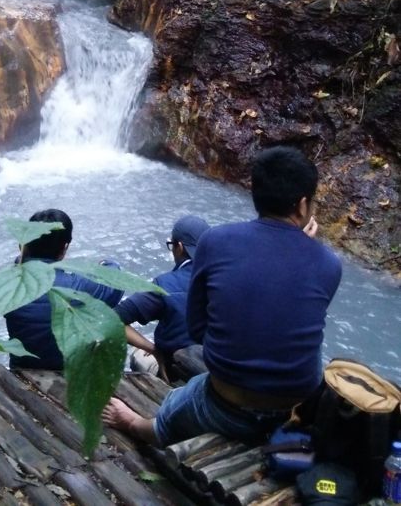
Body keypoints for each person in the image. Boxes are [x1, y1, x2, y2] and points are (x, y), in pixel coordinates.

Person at [102, 146, 342, 448]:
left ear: (254, 192)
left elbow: (198, 326)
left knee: (178, 401)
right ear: (303, 204)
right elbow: (291, 309)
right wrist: (300, 245)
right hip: (296, 411)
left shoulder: (215, 242)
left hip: (226, 407)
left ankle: (133, 423)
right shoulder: (329, 264)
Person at [5, 208, 124, 370]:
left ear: (24, 244)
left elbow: (20, 262)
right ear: (64, 248)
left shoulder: (8, 284)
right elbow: (115, 281)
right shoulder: (77, 287)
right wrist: (105, 264)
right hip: (68, 375)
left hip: (20, 373)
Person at [115, 214, 209, 382]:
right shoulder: (228, 280)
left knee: (139, 357)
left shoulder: (165, 285)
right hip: (224, 376)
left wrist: (153, 349)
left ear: (179, 247)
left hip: (178, 377)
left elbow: (112, 320)